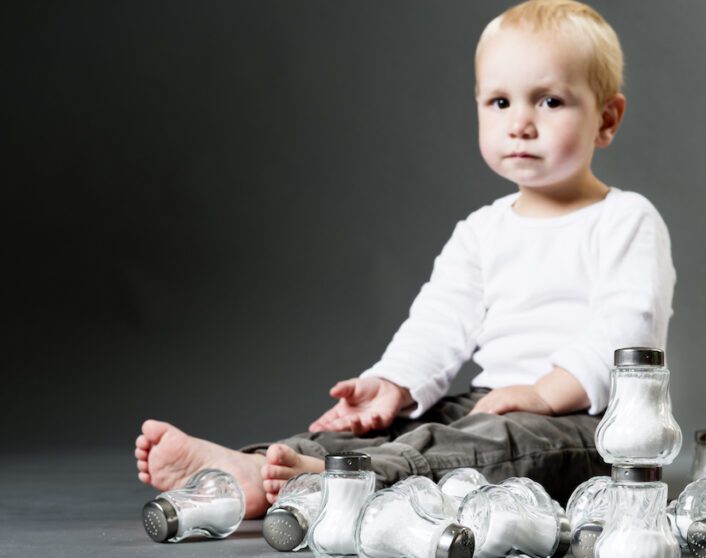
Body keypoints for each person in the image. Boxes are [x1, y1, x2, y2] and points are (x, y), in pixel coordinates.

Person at [134, 0, 676, 516]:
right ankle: (258, 468)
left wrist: (542, 393)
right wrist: (392, 385)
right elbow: (440, 321)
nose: (520, 123)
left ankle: (344, 480)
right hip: (490, 402)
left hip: (590, 426)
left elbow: (626, 330)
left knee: (493, 440)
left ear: (606, 119)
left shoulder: (625, 219)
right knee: (414, 428)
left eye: (550, 101)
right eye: (500, 102)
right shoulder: (482, 229)